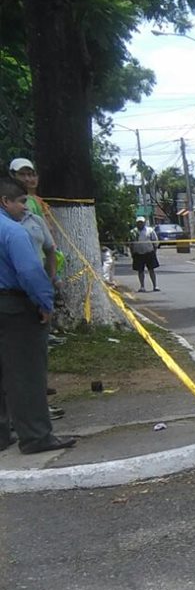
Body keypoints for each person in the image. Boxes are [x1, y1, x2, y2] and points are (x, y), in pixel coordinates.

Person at [0, 177, 75, 454]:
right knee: (26, 375)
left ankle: (3, 434)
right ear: (5, 201)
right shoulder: (13, 231)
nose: (24, 207)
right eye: (20, 202)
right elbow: (30, 272)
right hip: (16, 307)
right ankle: (35, 437)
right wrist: (45, 303)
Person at [130, 216, 160, 292]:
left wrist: (154, 251)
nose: (140, 224)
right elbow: (131, 244)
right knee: (140, 270)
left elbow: (155, 241)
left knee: (151, 270)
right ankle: (142, 286)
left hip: (149, 252)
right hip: (138, 253)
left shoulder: (150, 230)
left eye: (141, 222)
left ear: (144, 223)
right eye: (138, 222)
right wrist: (132, 253)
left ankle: (155, 285)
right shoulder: (133, 232)